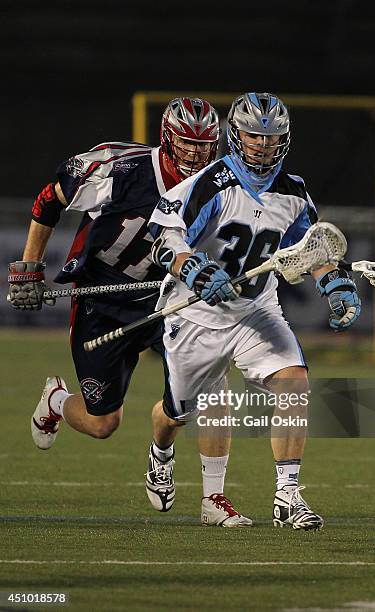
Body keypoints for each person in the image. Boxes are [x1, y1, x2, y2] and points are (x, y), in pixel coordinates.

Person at [7, 97, 251, 525]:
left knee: (212, 384)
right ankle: (57, 400)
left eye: (204, 144)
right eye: (187, 143)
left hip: (170, 297)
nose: (196, 153)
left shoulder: (224, 183)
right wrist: (29, 268)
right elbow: (50, 199)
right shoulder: (121, 169)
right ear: (167, 138)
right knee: (104, 423)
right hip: (105, 296)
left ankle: (211, 496)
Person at [147, 92, 362, 529]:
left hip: (254, 310)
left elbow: (309, 250)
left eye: (272, 136)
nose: (263, 144)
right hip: (196, 317)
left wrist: (334, 283)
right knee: (178, 413)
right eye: (254, 135)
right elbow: (163, 236)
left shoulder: (294, 192)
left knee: (294, 383)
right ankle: (161, 453)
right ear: (236, 134)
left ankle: (287, 496)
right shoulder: (209, 183)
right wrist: (196, 271)